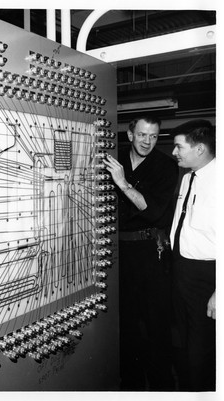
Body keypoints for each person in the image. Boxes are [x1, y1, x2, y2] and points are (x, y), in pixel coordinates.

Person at [103, 115, 179, 390]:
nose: (148, 141)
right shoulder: (114, 159)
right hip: (117, 251)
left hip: (150, 252)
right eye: (143, 135)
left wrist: (123, 183)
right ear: (130, 134)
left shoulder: (165, 166)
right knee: (125, 325)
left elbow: (155, 211)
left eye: (154, 136)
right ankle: (131, 386)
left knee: (157, 324)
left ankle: (163, 387)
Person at [169, 119, 216, 391]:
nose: (174, 152)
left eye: (179, 147)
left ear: (199, 148)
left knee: (201, 353)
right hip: (181, 272)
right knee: (183, 346)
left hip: (208, 277)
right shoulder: (188, 178)